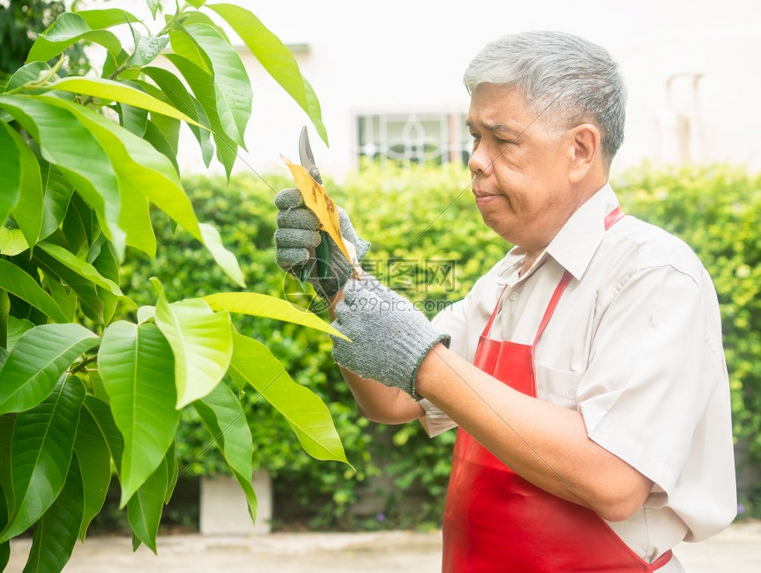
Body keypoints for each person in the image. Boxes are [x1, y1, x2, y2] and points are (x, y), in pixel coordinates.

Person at [274, 30, 736, 572]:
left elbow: (615, 479)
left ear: (580, 150)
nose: (475, 161)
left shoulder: (651, 274)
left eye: (502, 140)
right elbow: (391, 401)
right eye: (474, 137)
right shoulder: (508, 277)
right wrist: (339, 285)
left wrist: (423, 359)